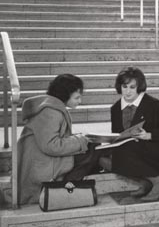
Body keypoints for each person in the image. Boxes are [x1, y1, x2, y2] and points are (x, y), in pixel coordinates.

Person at [17, 73, 99, 205]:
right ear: (65, 95)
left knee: (94, 148)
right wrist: (80, 140)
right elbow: (51, 146)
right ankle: (63, 188)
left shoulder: (51, 107)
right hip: (42, 164)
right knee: (94, 150)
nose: (80, 101)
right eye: (77, 97)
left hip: (45, 160)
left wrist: (79, 139)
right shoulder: (50, 111)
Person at [107, 66, 159, 203]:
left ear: (139, 87)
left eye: (132, 87)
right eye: (124, 86)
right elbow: (117, 133)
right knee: (102, 156)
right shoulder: (115, 108)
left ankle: (158, 182)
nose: (127, 91)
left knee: (121, 153)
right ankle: (145, 182)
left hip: (152, 147)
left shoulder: (155, 105)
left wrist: (149, 135)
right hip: (130, 150)